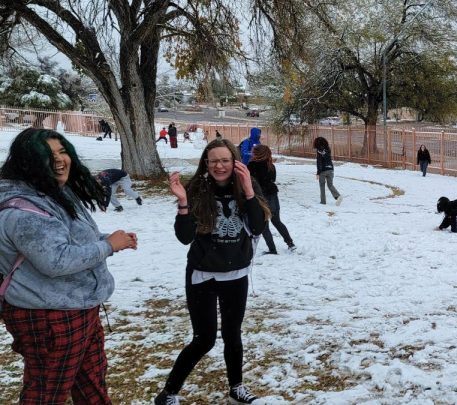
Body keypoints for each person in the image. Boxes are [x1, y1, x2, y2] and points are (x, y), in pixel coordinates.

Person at [0, 128, 137, 404]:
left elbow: (72, 238)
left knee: (92, 386)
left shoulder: (55, 193)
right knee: (46, 393)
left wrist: (107, 240)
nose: (60, 160)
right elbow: (57, 260)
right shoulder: (23, 211)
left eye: (63, 152)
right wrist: (108, 246)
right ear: (28, 162)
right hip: (49, 316)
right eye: (48, 156)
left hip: (79, 307)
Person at [154, 139, 270, 405]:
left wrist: (250, 191)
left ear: (234, 162)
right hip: (202, 275)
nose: (220, 166)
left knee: (233, 335)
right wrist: (183, 202)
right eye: (214, 160)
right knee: (204, 339)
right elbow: (185, 238)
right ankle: (168, 393)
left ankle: (236, 387)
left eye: (225, 160)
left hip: (235, 275)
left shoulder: (247, 186)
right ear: (206, 163)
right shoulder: (196, 189)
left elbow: (257, 226)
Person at [248, 144, 296, 254]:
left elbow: (250, 182)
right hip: (273, 194)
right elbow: (273, 179)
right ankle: (290, 243)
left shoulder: (251, 166)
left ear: (256, 154)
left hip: (260, 197)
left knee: (264, 225)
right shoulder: (271, 165)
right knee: (277, 221)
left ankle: (272, 249)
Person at [314, 136, 343, 205]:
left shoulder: (319, 151)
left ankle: (323, 201)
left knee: (322, 185)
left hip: (323, 170)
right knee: (330, 185)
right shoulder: (328, 149)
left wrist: (318, 172)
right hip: (330, 169)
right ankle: (338, 196)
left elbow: (319, 162)